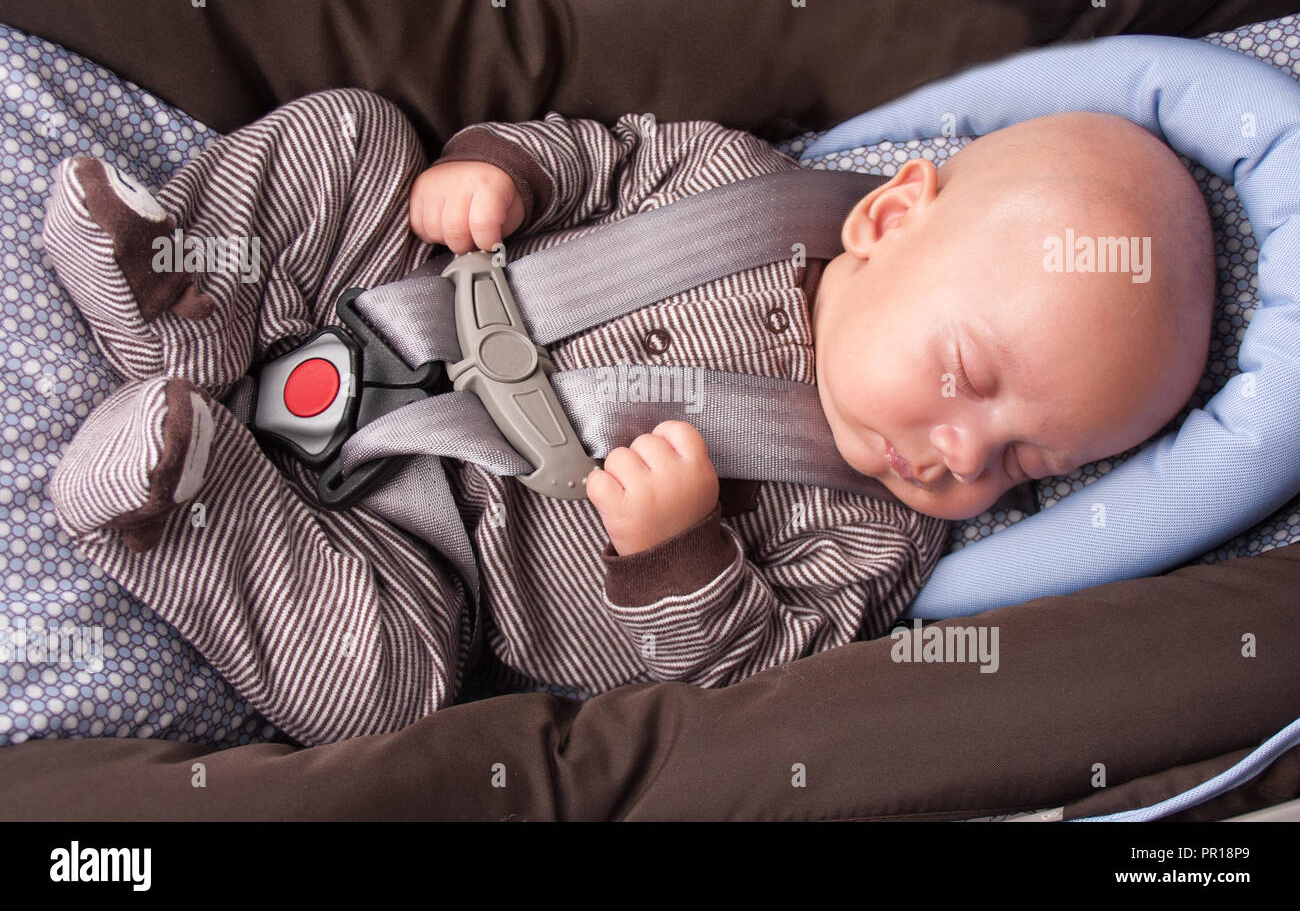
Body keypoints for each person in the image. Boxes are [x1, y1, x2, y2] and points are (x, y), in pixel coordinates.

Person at [40, 90, 1214, 745]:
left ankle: (188, 494)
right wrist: (503, 171)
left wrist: (682, 554)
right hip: (372, 296)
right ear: (891, 218)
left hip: (426, 560)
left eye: (1024, 462)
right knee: (351, 138)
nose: (964, 450)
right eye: (968, 374)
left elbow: (754, 675)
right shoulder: (733, 178)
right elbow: (600, 157)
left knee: (380, 693)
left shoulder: (875, 538)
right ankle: (184, 303)